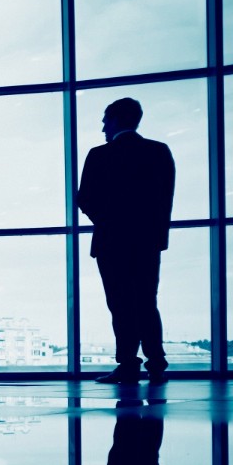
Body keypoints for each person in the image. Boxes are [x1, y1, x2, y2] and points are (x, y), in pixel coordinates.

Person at [77, 97, 176, 385]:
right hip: (147, 241)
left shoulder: (99, 155)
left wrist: (108, 223)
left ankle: (128, 364)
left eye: (105, 121)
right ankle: (156, 362)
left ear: (116, 119)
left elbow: (85, 199)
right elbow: (165, 198)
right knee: (147, 300)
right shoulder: (159, 152)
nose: (103, 128)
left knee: (120, 304)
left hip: (111, 241)